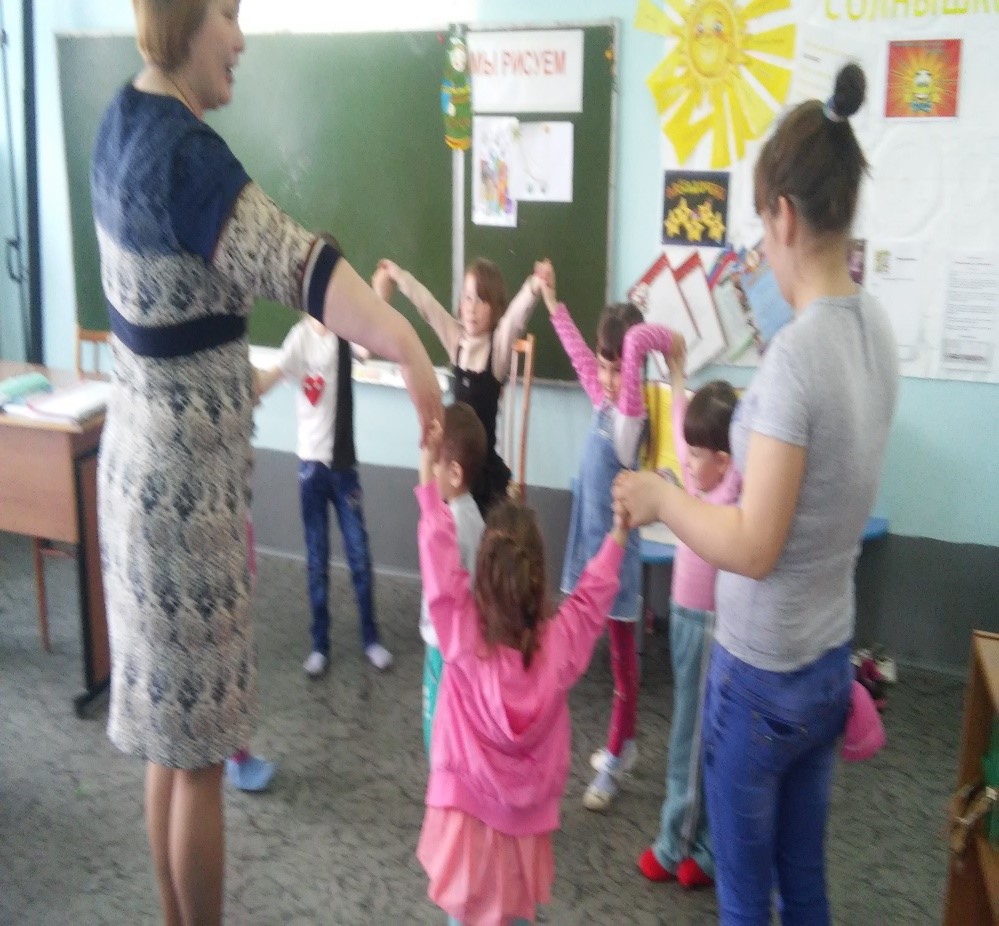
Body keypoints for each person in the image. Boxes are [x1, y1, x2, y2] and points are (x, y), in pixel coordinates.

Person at [93, 3, 441, 924]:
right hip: (184, 507)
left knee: (171, 747)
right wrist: (409, 350)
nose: (242, 38)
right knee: (200, 759)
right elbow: (307, 269)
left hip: (134, 476)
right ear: (183, 15)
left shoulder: (120, 122)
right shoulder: (186, 158)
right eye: (228, 13)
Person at [613, 64, 898, 924]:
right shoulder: (873, 328)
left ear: (782, 215)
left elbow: (753, 544)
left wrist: (663, 501)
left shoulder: (795, 360)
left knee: (742, 898)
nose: (760, 251)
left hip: (761, 673)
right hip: (825, 658)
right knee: (802, 882)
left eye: (761, 228)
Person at [414, 419, 629, 926]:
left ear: (484, 573)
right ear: (537, 575)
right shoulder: (560, 646)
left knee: (465, 911)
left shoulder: (461, 634)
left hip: (465, 815)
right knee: (511, 912)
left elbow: (440, 566)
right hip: (522, 826)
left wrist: (427, 472)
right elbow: (592, 598)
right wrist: (619, 532)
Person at [539, 276, 677, 812]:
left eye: (622, 369)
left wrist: (650, 341)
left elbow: (635, 350)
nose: (610, 378)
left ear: (636, 370)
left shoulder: (629, 418)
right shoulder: (602, 401)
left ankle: (619, 754)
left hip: (616, 562)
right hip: (585, 554)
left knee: (623, 666)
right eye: (606, 367)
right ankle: (593, 742)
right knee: (567, 650)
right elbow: (580, 353)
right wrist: (554, 302)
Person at [637, 341, 741, 890]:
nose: (687, 461)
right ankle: (705, 848)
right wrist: (677, 374)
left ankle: (677, 843)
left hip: (708, 627)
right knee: (695, 730)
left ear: (725, 460)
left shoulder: (733, 487)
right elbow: (682, 428)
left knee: (692, 736)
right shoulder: (701, 474)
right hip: (684, 619)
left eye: (698, 456)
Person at [254, 312, 393, 677]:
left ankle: (371, 639)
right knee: (316, 560)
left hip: (344, 469)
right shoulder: (299, 338)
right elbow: (269, 378)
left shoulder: (346, 331)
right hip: (311, 469)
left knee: (359, 554)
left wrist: (380, 296)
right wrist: (249, 383)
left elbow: (369, 342)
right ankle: (319, 645)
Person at [373, 256, 548, 514]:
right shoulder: (456, 340)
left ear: (495, 306)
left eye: (481, 299)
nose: (471, 308)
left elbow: (515, 318)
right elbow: (428, 306)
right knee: (445, 518)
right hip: (454, 467)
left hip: (482, 470)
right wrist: (398, 276)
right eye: (467, 298)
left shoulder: (497, 348)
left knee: (486, 527)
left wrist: (534, 284)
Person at [417, 402, 486, 755]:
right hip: (465, 643)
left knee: (437, 728)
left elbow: (430, 524)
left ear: (455, 473)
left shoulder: (449, 524)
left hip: (443, 647)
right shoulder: (473, 514)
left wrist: (424, 461)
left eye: (436, 463)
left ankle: (443, 778)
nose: (431, 469)